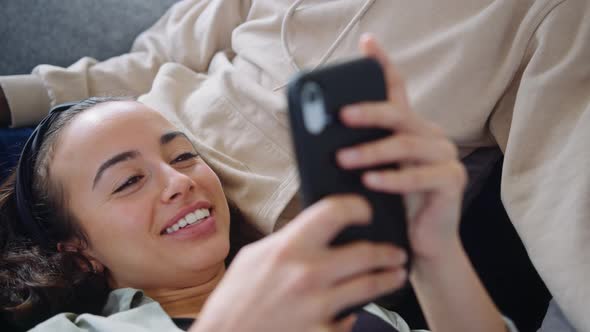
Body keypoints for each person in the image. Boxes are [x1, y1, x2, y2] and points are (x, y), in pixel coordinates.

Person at [0, 1, 588, 329]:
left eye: (183, 160)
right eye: (136, 177)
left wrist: (435, 258)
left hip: (292, 244)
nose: (180, 177)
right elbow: (149, 62)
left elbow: (568, 204)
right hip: (103, 144)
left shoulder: (551, 16)